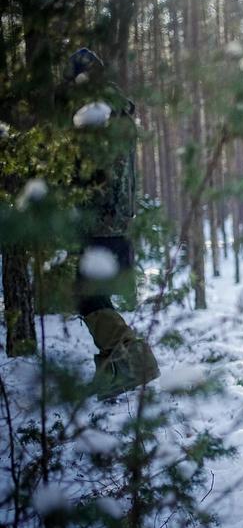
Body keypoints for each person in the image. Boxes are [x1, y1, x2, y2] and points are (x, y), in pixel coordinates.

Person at [63, 48, 160, 400]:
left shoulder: (99, 112)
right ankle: (111, 372)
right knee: (91, 293)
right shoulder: (113, 109)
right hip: (115, 220)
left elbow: (96, 172)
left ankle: (135, 358)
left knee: (88, 294)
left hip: (102, 220)